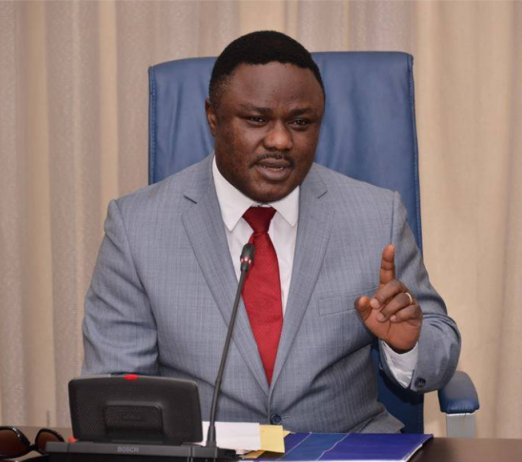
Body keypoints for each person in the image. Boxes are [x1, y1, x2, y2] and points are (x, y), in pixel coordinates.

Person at [82, 31, 460, 433]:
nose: (280, 140)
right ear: (213, 116)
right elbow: (116, 394)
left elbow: (439, 348)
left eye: (300, 122)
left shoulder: (376, 215)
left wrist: (407, 346)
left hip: (345, 448)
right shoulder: (136, 227)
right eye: (257, 119)